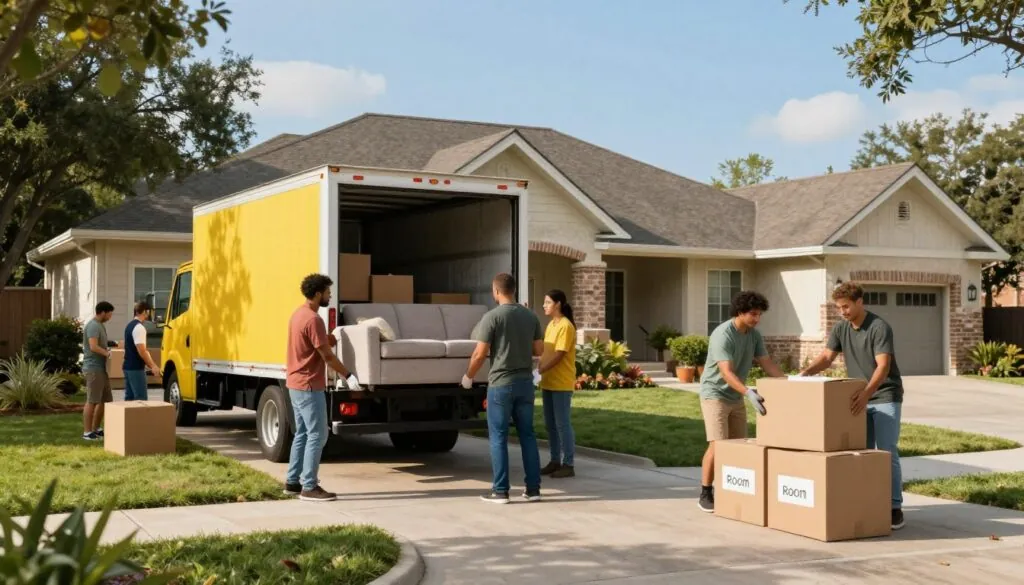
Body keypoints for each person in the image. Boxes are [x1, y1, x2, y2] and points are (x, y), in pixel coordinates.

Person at [799, 281, 906, 530]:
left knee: (886, 451)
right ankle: (867, 502)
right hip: (859, 397)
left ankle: (894, 506)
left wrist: (867, 393)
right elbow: (826, 358)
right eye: (839, 308)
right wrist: (805, 373)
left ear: (860, 302)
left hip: (884, 395)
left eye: (846, 306)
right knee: (862, 452)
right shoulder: (840, 328)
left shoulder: (879, 327)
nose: (843, 312)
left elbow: (883, 366)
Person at [698, 290, 785, 514]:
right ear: (740, 312)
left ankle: (732, 491)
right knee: (718, 445)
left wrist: (787, 383)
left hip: (736, 395)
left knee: (738, 446)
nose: (757, 319)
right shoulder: (723, 334)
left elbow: (767, 363)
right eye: (753, 314)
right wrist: (748, 392)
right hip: (715, 394)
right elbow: (726, 372)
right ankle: (706, 492)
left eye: (759, 315)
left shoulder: (754, 335)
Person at [463, 272, 545, 504]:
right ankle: (533, 490)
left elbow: (480, 353)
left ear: (496, 291)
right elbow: (539, 351)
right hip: (525, 384)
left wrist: (468, 377)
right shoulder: (531, 316)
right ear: (514, 290)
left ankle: (500, 491)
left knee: (498, 437)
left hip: (501, 385)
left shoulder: (492, 317)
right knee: (527, 435)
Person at [285, 273, 360, 502]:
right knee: (318, 434)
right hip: (309, 385)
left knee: (303, 433)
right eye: (328, 292)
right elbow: (326, 356)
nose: (330, 295)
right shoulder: (313, 319)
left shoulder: (299, 314)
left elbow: (314, 342)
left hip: (295, 383)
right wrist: (348, 375)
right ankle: (309, 487)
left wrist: (330, 337)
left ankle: (292, 482)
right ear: (318, 293)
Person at [537, 289, 578, 479]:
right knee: (550, 425)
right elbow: (547, 351)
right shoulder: (551, 325)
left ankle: (568, 464)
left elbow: (560, 354)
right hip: (548, 382)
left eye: (547, 302)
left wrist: (542, 369)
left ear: (558, 304)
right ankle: (555, 461)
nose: (545, 306)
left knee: (563, 424)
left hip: (561, 383)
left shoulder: (566, 326)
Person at [82, 301, 115, 440]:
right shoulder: (93, 326)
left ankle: (96, 428)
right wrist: (107, 353)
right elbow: (93, 346)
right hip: (93, 368)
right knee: (92, 400)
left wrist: (111, 346)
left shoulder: (100, 325)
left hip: (101, 368)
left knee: (105, 399)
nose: (110, 316)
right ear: (102, 312)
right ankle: (87, 432)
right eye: (109, 313)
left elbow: (101, 344)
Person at [123, 301, 162, 401]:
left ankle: (128, 417)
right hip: (136, 368)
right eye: (149, 312)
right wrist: (153, 366)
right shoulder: (139, 328)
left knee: (130, 400)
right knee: (140, 399)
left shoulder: (129, 326)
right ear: (145, 311)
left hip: (127, 367)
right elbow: (142, 351)